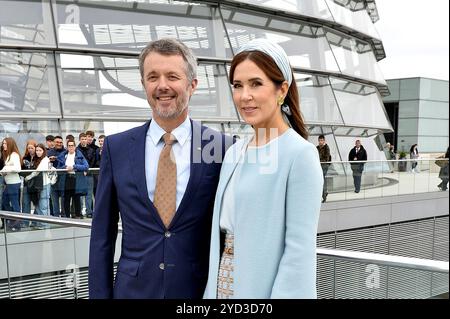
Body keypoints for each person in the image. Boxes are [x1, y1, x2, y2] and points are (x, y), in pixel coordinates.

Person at [89, 38, 232, 299]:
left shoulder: (221, 148)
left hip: (197, 293)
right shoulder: (116, 147)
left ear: (193, 85)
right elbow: (102, 235)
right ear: (143, 84)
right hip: (132, 292)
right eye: (152, 77)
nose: (162, 85)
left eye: (172, 76)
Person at [203, 39, 323, 299]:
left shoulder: (300, 154)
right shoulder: (234, 152)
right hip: (223, 284)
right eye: (238, 85)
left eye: (256, 84)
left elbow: (299, 252)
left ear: (282, 90)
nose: (245, 95)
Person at [56, 140, 89, 219]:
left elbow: (86, 166)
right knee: (66, 199)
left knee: (76, 198)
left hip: (76, 179)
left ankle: (77, 215)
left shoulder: (79, 155)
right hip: (66, 179)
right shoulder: (63, 156)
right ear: (67, 147)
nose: (70, 147)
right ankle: (67, 216)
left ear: (75, 147)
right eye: (69, 146)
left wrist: (74, 167)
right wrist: (65, 168)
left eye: (72, 145)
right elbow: (58, 168)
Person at [24, 144, 51, 229]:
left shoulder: (45, 159)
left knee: (43, 205)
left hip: (45, 185)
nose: (38, 152)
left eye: (40, 150)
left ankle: (44, 224)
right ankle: (39, 223)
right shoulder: (38, 159)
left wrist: (28, 177)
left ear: (44, 151)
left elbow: (37, 171)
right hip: (38, 186)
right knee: (38, 205)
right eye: (37, 150)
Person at [1, 137, 22, 231]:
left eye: (5, 143)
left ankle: (17, 224)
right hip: (9, 183)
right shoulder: (8, 155)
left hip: (14, 183)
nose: (3, 145)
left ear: (9, 144)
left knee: (14, 204)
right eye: (3, 143)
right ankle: (12, 220)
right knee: (5, 202)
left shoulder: (14, 155)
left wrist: (6, 169)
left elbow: (18, 168)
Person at [317, 134, 331, 203]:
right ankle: (325, 192)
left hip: (324, 166)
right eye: (319, 140)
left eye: (322, 140)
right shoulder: (317, 148)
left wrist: (319, 161)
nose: (320, 142)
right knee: (322, 179)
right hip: (319, 166)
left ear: (324, 140)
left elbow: (327, 158)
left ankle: (324, 196)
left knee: (321, 179)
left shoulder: (326, 147)